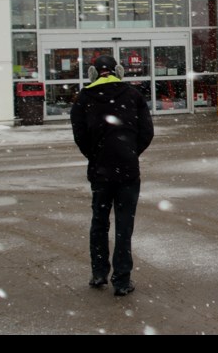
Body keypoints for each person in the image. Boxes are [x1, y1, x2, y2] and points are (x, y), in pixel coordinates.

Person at [70, 55, 154, 297]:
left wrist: (96, 156)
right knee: (124, 226)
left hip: (100, 172)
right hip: (127, 170)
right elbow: (147, 132)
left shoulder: (84, 98)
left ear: (93, 74)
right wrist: (128, 152)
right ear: (118, 71)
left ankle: (98, 273)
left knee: (99, 221)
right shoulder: (133, 95)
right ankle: (121, 280)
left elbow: (80, 136)